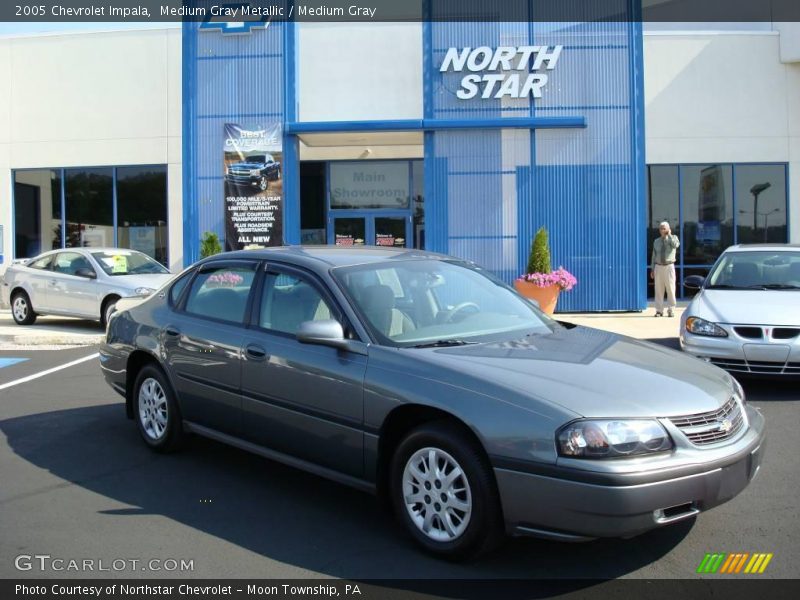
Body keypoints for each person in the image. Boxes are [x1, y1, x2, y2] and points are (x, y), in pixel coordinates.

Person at [650, 221, 680, 317]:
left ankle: (671, 309)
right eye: (660, 228)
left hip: (669, 266)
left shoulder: (673, 238)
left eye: (664, 228)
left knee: (670, 289)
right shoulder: (656, 241)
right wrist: (652, 269)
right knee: (658, 290)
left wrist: (669, 235)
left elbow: (676, 245)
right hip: (659, 267)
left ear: (668, 229)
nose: (662, 230)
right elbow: (654, 256)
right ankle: (659, 310)